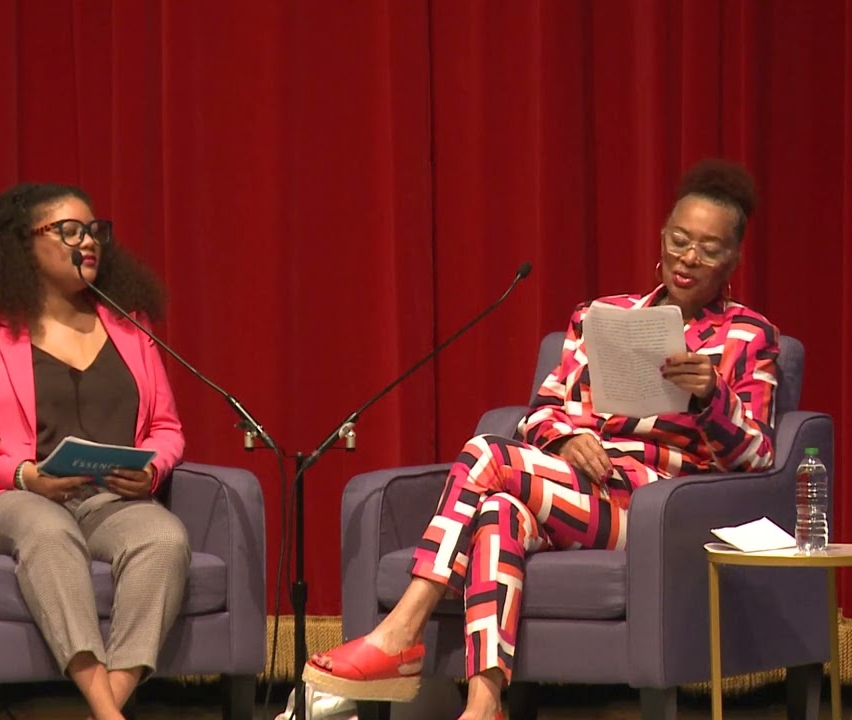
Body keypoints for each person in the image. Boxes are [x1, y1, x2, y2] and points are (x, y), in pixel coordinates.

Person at [304, 159, 779, 720]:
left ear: (733, 260)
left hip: (654, 508)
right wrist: (565, 442)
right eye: (679, 240)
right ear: (662, 238)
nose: (688, 257)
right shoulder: (603, 317)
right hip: (577, 486)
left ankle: (400, 634)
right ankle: (484, 706)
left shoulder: (748, 335)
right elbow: (542, 411)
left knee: (487, 452)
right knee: (499, 511)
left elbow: (759, 455)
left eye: (708, 248)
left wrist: (712, 396)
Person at [0, 183, 189, 720]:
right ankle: (107, 712)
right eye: (69, 231)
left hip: (111, 498)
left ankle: (105, 705)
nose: (87, 242)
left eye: (94, 231)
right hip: (17, 496)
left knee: (164, 538)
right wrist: (23, 474)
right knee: (48, 532)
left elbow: (166, 428)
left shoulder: (130, 326)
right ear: (25, 244)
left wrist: (154, 469)